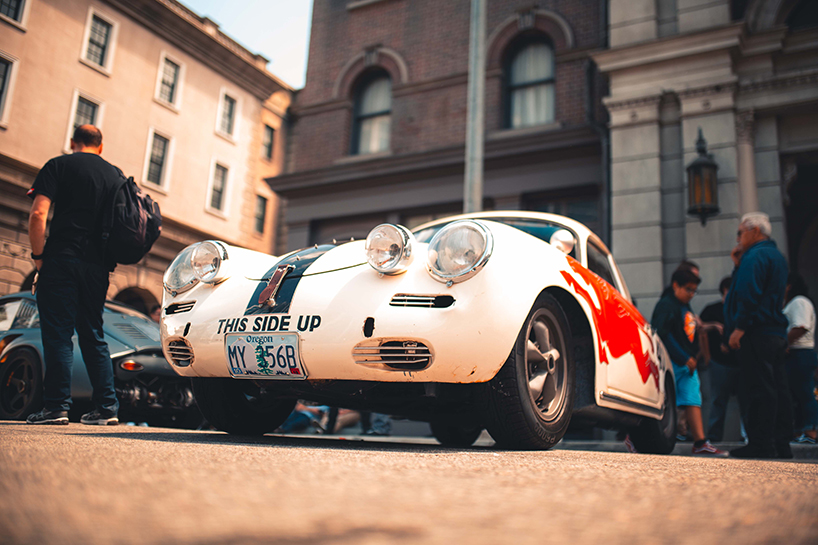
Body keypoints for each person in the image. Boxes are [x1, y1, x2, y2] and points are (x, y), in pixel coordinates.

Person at [25, 125, 122, 426]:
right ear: (101, 147)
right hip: (99, 267)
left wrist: (39, 258)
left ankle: (56, 407)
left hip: (62, 259)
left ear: (73, 142)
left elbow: (38, 214)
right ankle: (107, 409)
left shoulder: (58, 165)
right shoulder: (115, 175)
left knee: (58, 335)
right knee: (93, 335)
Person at [724, 212, 792, 459]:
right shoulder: (776, 256)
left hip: (756, 332)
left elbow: (748, 293)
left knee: (758, 389)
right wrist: (737, 265)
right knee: (779, 389)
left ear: (755, 231)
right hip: (774, 332)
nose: (739, 237)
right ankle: (781, 444)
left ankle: (761, 444)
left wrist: (739, 328)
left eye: (741, 232)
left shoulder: (755, 256)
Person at [652, 269, 727, 456]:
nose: (691, 294)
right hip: (673, 362)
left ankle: (700, 442)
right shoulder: (667, 305)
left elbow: (693, 328)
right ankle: (636, 438)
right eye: (688, 289)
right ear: (676, 285)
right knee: (662, 401)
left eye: (694, 290)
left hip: (687, 364)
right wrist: (683, 357)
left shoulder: (684, 305)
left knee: (693, 399)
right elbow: (663, 333)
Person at [701, 276, 747, 442]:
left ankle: (747, 436)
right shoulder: (712, 309)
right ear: (724, 291)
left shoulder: (740, 311)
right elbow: (699, 328)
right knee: (717, 402)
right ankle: (714, 438)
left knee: (746, 401)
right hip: (719, 363)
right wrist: (707, 358)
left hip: (741, 363)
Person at [783, 273, 817, 444]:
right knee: (796, 394)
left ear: (789, 285)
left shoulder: (799, 302)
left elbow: (801, 327)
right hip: (796, 354)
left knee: (804, 393)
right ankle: (799, 431)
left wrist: (783, 344)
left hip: (800, 353)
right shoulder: (793, 303)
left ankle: (810, 430)